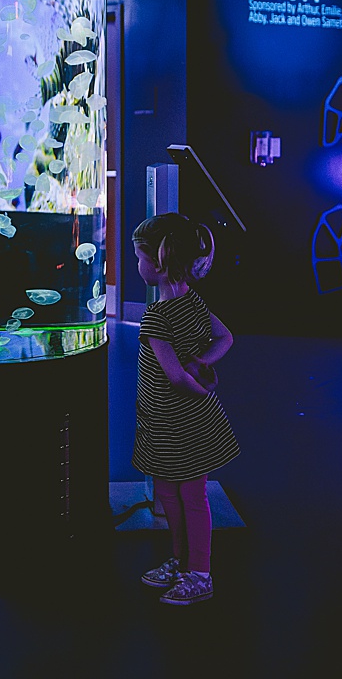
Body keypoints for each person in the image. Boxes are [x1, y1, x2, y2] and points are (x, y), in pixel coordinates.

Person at [130, 212, 240, 605]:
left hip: (177, 422)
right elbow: (224, 337)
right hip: (175, 421)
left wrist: (195, 383)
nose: (137, 264)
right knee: (173, 493)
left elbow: (174, 377)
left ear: (157, 262)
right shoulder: (192, 300)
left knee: (188, 496)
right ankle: (181, 561)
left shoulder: (156, 317)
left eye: (139, 256)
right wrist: (203, 364)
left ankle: (201, 574)